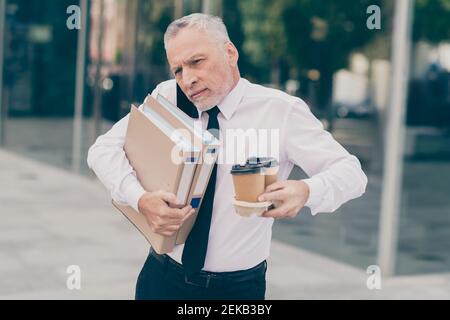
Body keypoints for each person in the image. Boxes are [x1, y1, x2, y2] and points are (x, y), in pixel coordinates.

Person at [87, 13, 367, 300]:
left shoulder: (281, 111)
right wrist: (140, 199)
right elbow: (102, 150)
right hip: (162, 277)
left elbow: (351, 173)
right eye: (178, 70)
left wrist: (307, 190)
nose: (188, 79)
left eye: (197, 62)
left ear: (230, 53)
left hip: (237, 290)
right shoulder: (169, 96)